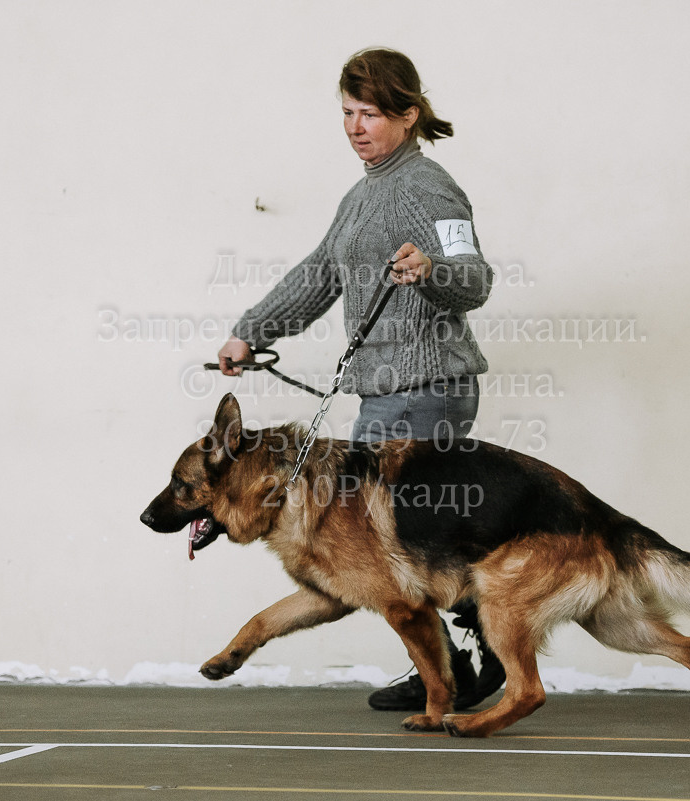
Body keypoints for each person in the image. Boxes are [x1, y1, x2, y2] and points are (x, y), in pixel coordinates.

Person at [215, 48, 503, 711]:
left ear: (408, 113)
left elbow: (476, 277)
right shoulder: (365, 190)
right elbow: (320, 272)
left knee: (385, 539)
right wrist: (253, 329)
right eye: (347, 112)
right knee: (386, 539)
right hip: (387, 391)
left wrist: (432, 269)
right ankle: (452, 665)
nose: (355, 125)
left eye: (370, 112)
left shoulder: (427, 186)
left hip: (428, 389)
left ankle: (478, 647)